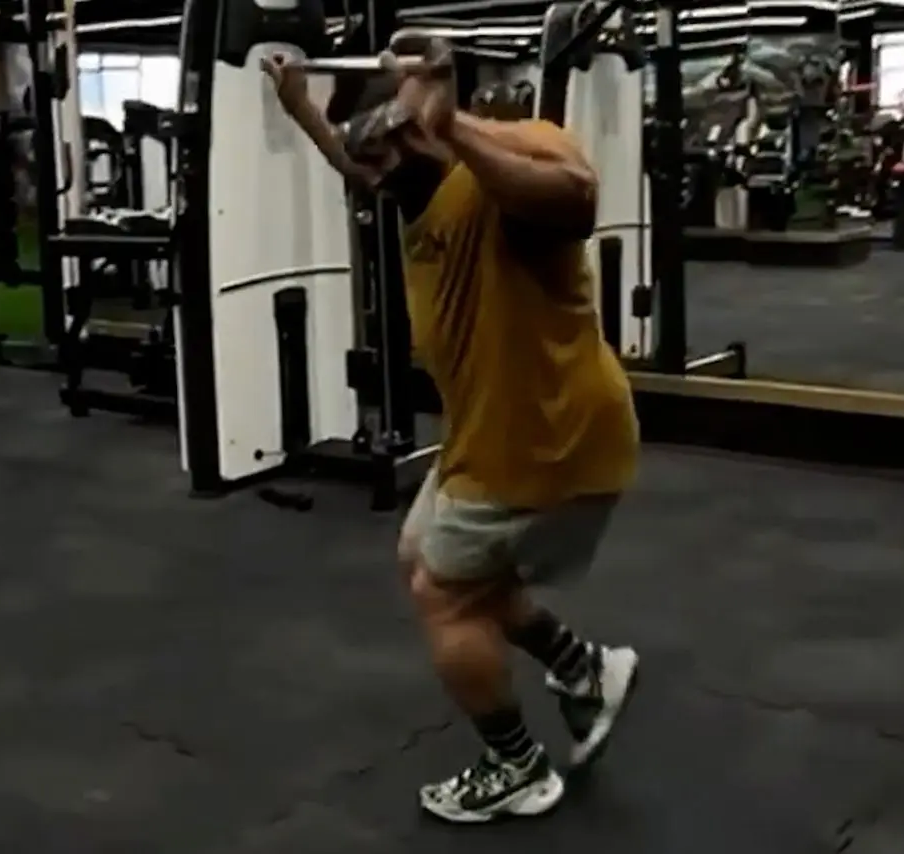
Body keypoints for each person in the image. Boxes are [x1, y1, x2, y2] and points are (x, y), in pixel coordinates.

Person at [263, 44, 641, 824]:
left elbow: (574, 198)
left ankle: (517, 765)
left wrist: (454, 126)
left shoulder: (501, 169)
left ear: (411, 130)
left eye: (380, 147)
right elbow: (358, 169)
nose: (369, 170)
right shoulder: (415, 186)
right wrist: (299, 107)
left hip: (545, 435)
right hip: (485, 432)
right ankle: (583, 669)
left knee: (444, 595)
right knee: (423, 554)